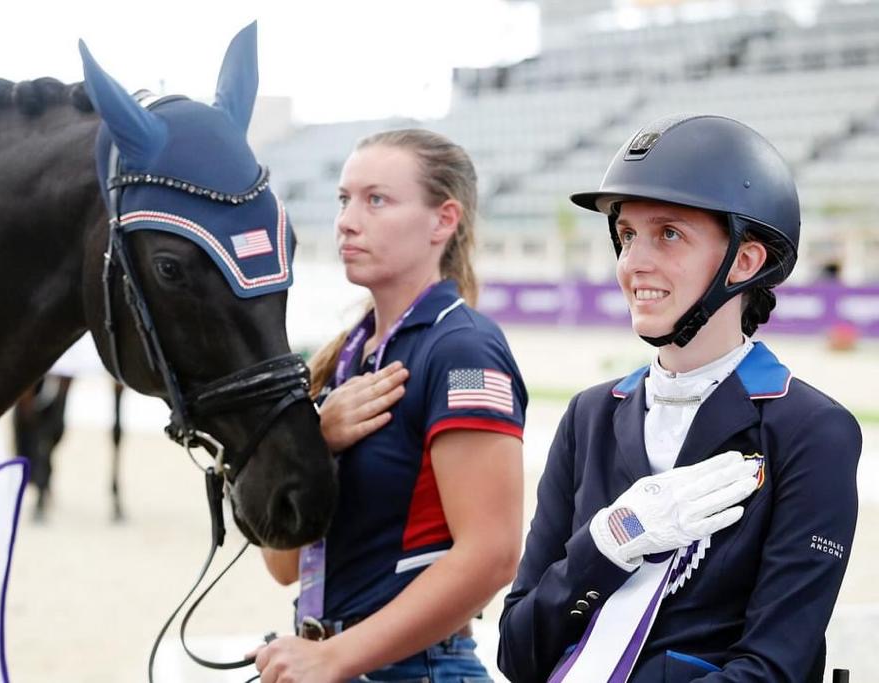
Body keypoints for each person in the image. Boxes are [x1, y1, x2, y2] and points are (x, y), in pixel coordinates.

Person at [497, 114, 861, 682]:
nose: (634, 262)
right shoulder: (587, 416)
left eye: (669, 233)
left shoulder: (812, 430)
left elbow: (774, 669)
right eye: (627, 236)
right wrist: (609, 542)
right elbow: (519, 654)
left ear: (745, 260)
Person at [253, 129, 527, 683]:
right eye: (343, 199)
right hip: (330, 660)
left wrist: (334, 656)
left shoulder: (463, 348)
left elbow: (494, 555)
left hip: (416, 669)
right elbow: (282, 563)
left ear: (443, 220)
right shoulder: (345, 360)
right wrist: (310, 442)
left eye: (376, 200)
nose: (348, 220)